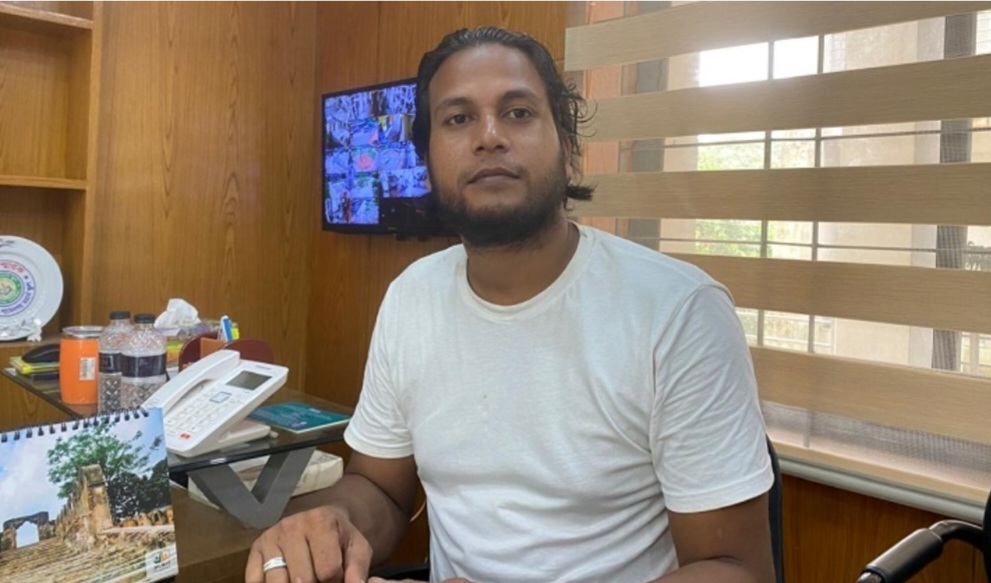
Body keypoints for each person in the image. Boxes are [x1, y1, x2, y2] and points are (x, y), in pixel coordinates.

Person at [246, 26, 774, 583]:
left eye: (518, 113)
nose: (489, 136)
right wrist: (334, 522)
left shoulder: (678, 311)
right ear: (426, 159)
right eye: (458, 119)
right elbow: (379, 486)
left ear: (568, 148)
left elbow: (736, 570)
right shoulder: (411, 296)